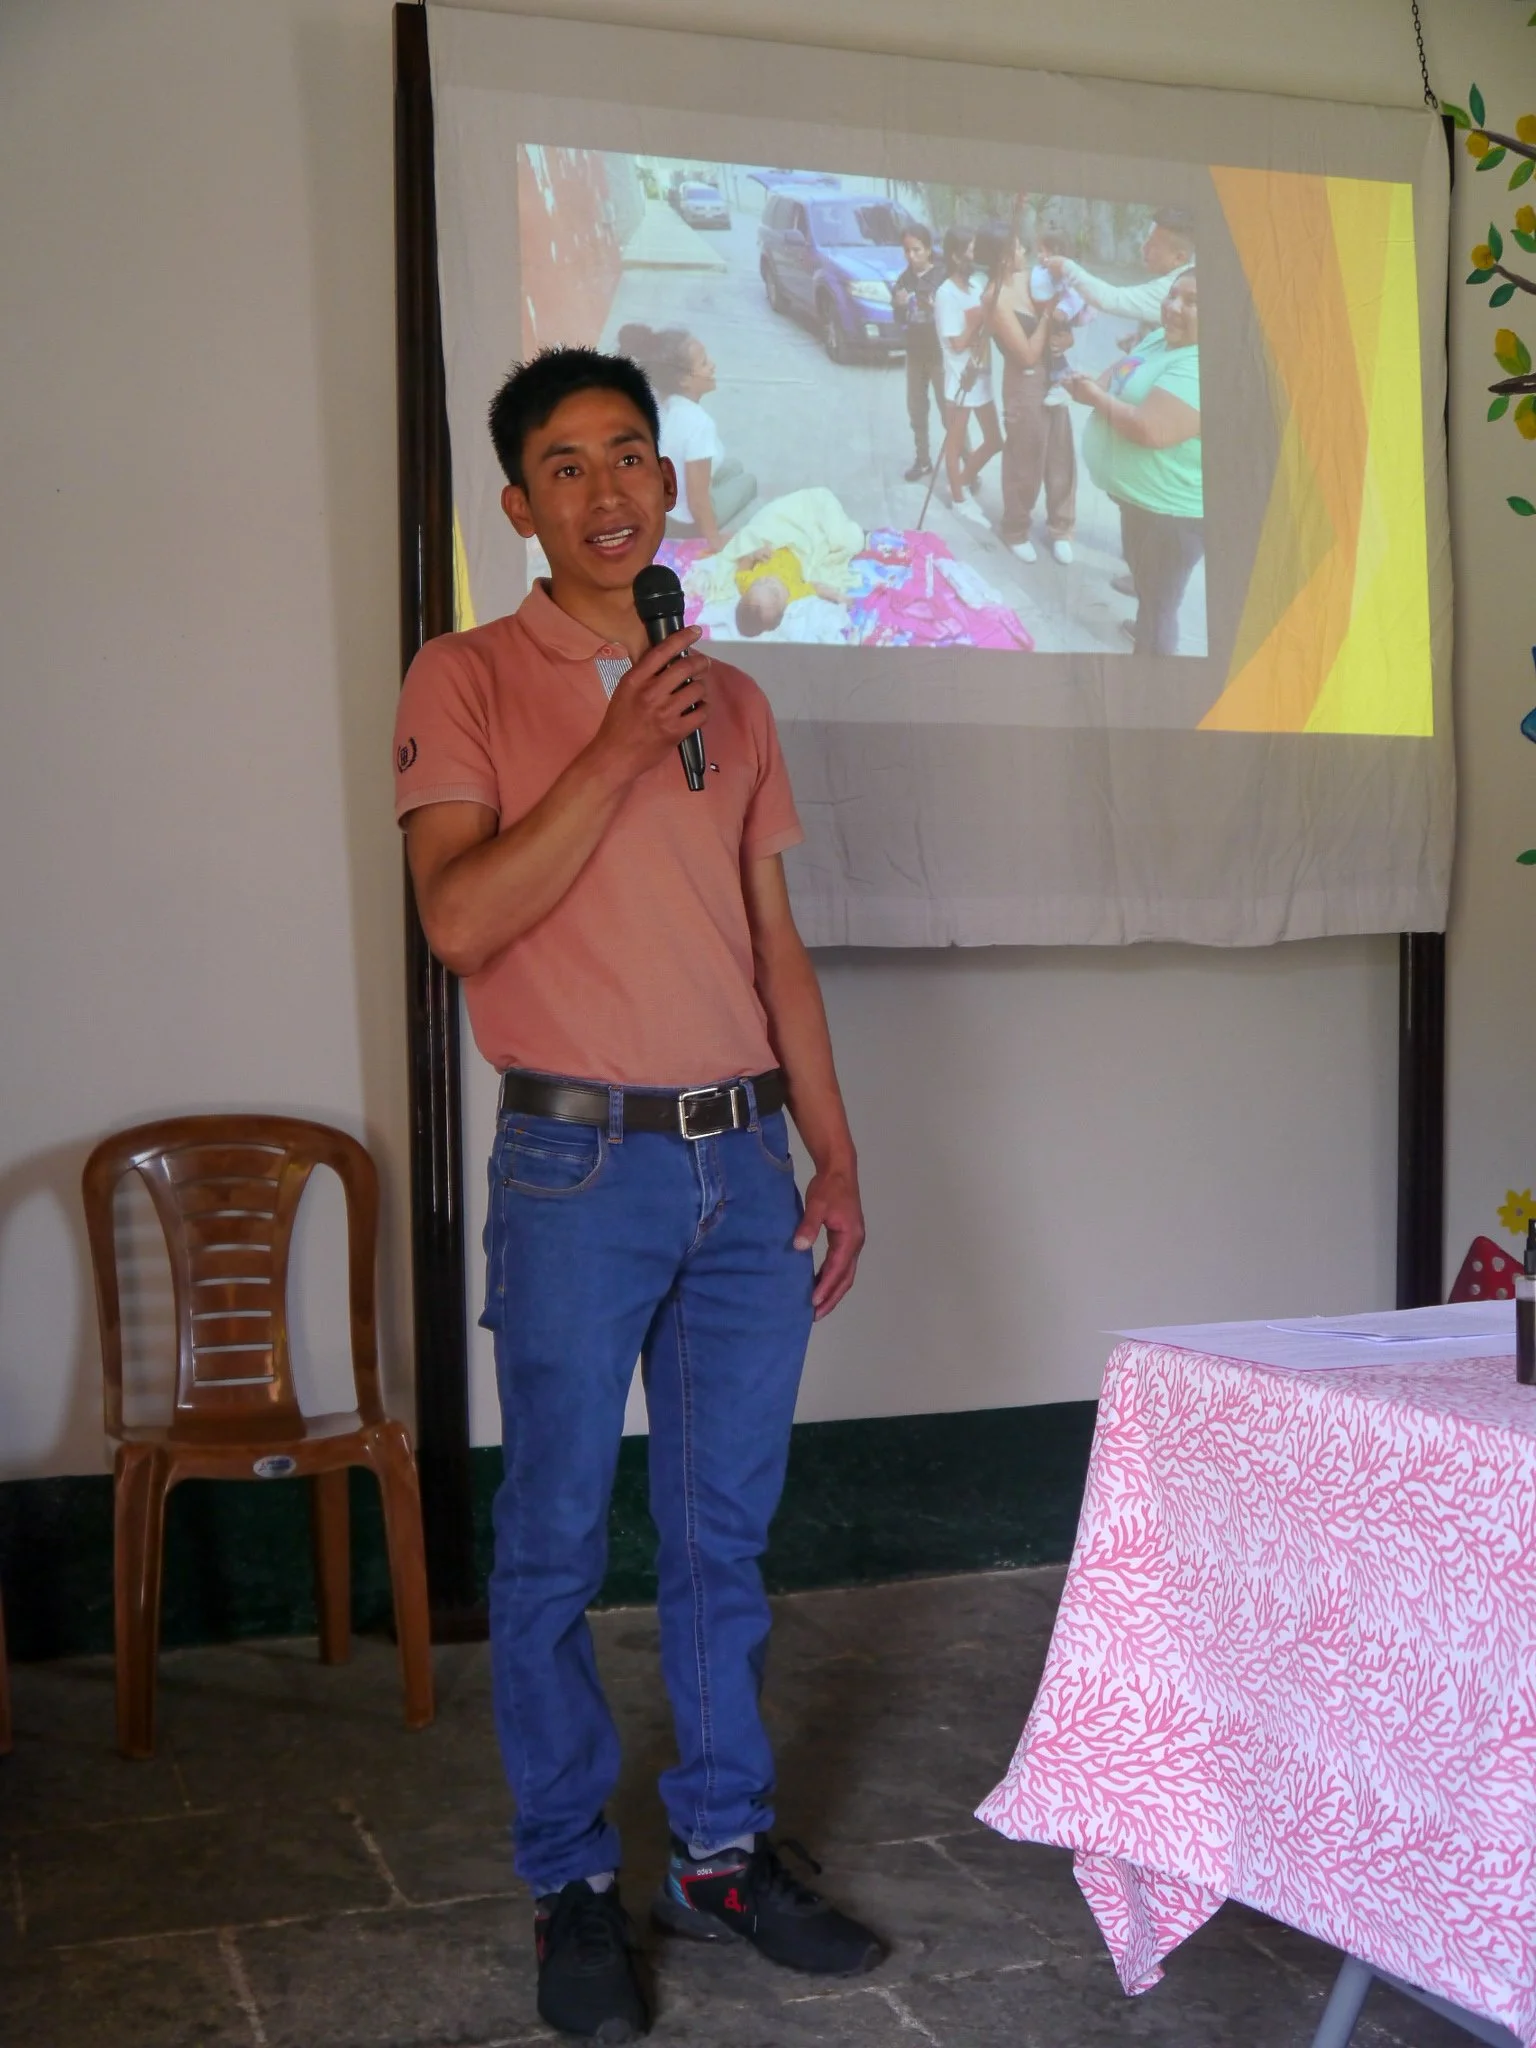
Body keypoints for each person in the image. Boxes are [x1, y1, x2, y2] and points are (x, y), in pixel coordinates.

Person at [393, 346, 879, 2043]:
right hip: (574, 1163)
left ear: (670, 486)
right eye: (567, 467)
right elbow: (460, 920)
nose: (609, 491)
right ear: (520, 507)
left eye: (633, 458)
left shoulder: (728, 699)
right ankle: (569, 1881)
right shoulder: (464, 678)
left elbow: (776, 951)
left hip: (745, 1166)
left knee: (720, 1537)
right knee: (547, 1541)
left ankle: (726, 1852)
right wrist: (605, 751)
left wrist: (834, 1150)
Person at [1065, 269, 1202, 655]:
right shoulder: (1161, 337)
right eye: (1172, 295)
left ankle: (1151, 683)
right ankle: (1146, 626)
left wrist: (1095, 398)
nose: (1174, 307)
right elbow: (1115, 378)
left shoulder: (1200, 365)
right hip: (1140, 503)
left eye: (1192, 302)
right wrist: (1089, 385)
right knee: (1149, 587)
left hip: (1172, 515)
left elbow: (1151, 429)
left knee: (1161, 608)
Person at [616, 322, 756, 550]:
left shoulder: (659, 401)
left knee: (734, 466)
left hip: (661, 506)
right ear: (683, 380)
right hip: (681, 523)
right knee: (748, 482)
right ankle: (701, 530)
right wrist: (714, 541)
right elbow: (697, 501)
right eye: (703, 363)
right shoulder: (698, 424)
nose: (713, 365)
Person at [989, 232, 1078, 565]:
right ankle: (1015, 529)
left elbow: (1066, 308)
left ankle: (1061, 528)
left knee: (1060, 453)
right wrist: (1046, 316)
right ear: (1001, 255)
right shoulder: (994, 297)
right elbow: (1026, 355)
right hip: (1024, 382)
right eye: (1016, 246)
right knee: (1025, 459)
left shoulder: (1031, 278)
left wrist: (1066, 337)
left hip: (1054, 374)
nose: (1023, 250)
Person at [933, 225, 1005, 529]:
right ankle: (960, 500)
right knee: (955, 441)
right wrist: (977, 319)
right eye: (971, 250)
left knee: (994, 440)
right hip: (960, 377)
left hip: (983, 374)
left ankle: (958, 483)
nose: (975, 256)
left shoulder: (976, 285)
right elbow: (956, 343)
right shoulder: (946, 293)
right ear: (955, 255)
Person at [1043, 205, 1196, 334]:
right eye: (1147, 240)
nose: (1144, 248)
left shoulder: (1175, 288)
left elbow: (1112, 299)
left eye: (1154, 245)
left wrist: (1067, 268)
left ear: (1179, 258)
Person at [891, 222, 945, 482]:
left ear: (928, 249)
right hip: (915, 354)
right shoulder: (904, 279)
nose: (912, 256)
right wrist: (900, 306)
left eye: (917, 250)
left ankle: (966, 467)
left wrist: (937, 308)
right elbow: (899, 321)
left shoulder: (942, 276)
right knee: (916, 409)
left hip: (941, 355)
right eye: (907, 251)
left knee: (951, 413)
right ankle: (923, 460)